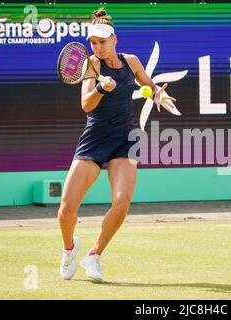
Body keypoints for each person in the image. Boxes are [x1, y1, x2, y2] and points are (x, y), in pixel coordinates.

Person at [58, 8, 178, 282]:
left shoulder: (131, 61)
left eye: (102, 41)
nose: (98, 47)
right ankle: (69, 248)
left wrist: (158, 95)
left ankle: (94, 255)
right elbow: (86, 104)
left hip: (125, 137)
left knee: (122, 202)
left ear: (114, 39)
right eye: (93, 42)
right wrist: (101, 89)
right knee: (66, 210)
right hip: (95, 137)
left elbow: (149, 85)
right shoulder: (91, 65)